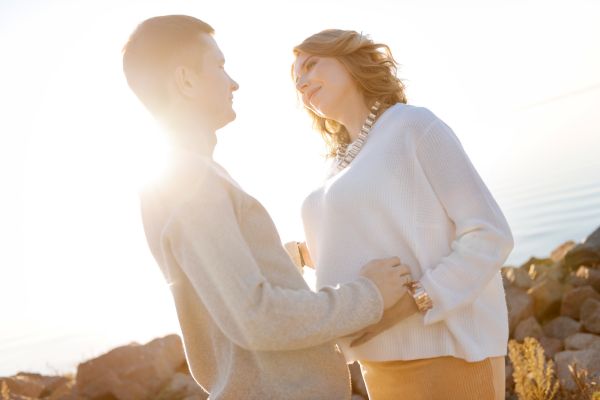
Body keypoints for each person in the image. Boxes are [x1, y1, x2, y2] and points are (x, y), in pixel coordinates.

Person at [122, 15, 413, 400]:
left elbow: (219, 294)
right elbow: (257, 318)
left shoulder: (182, 179)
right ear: (186, 80)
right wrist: (371, 294)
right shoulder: (191, 182)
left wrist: (286, 258)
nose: (233, 82)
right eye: (220, 66)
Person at [291, 29, 514, 400]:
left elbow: (489, 233)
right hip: (376, 364)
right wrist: (297, 255)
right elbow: (368, 241)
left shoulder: (412, 125)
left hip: (447, 352)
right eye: (296, 78)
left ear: (349, 59)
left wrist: (412, 303)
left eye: (311, 64)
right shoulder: (336, 165)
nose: (301, 82)